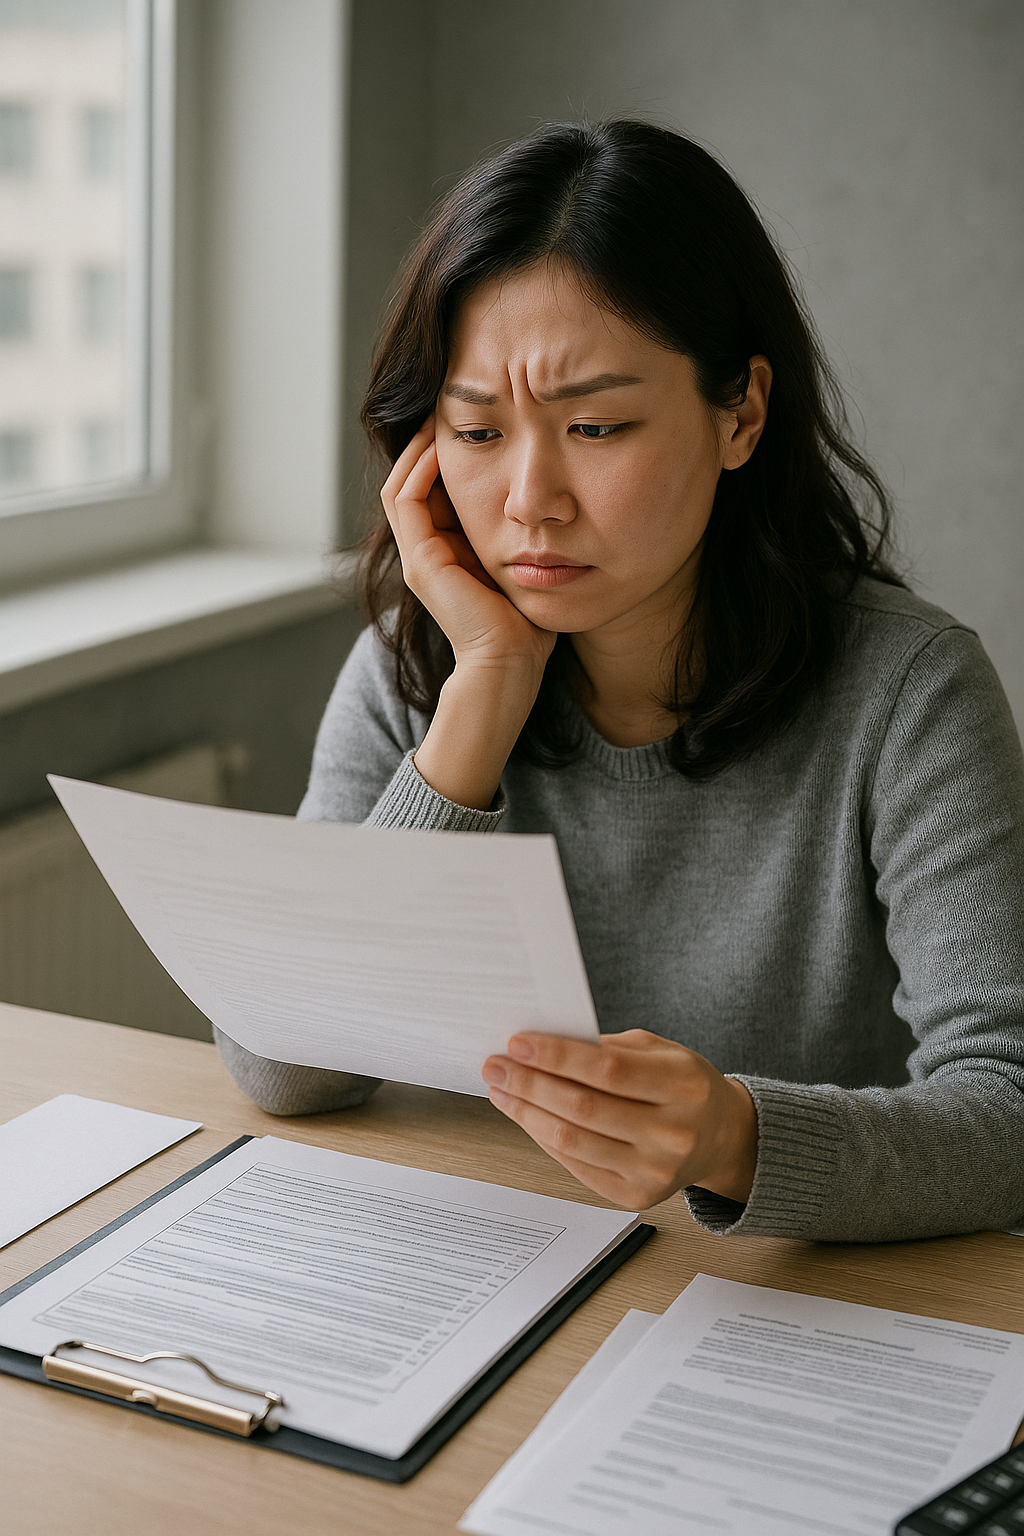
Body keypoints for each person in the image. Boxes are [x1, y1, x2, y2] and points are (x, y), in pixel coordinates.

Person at [214, 120, 1024, 1243]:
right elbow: (277, 1063)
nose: (530, 501)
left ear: (741, 414)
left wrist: (735, 1138)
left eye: (595, 425)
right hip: (494, 1259)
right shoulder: (419, 667)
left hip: (787, 1298)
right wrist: (483, 697)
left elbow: (1007, 1105)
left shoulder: (908, 695)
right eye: (476, 431)